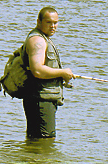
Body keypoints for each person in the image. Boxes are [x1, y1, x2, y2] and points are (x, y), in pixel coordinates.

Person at [21, 7, 74, 140]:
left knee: (36, 140)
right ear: (39, 22)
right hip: (40, 100)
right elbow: (37, 70)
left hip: (41, 99)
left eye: (55, 23)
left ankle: (29, 159)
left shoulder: (43, 38)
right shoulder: (38, 40)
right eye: (49, 22)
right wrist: (62, 72)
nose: (53, 26)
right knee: (45, 142)